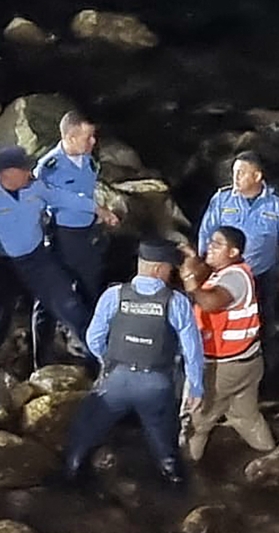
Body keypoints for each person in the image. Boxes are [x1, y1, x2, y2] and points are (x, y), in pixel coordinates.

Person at [62, 239, 204, 485]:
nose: (172, 272)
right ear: (159, 269)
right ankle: (175, 486)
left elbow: (93, 338)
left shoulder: (113, 295)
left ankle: (70, 478)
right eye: (170, 267)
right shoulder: (176, 302)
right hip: (156, 384)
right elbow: (192, 350)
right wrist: (196, 388)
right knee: (164, 444)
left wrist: (108, 360)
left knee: (84, 433)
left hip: (116, 381)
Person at [197, 151, 279, 385]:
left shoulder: (278, 204)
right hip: (226, 276)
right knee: (221, 322)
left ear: (257, 175)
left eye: (242, 173)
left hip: (261, 275)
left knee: (266, 325)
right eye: (234, 172)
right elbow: (206, 231)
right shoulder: (222, 199)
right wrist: (205, 264)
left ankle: (269, 380)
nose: (236, 177)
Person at [179, 226, 275, 461]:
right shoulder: (229, 272)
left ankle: (188, 473)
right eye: (211, 242)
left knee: (197, 421)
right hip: (247, 360)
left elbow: (212, 303)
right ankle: (272, 455)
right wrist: (193, 261)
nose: (210, 247)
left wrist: (189, 280)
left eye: (217, 244)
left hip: (225, 366)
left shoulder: (234, 278)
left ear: (233, 252)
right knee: (246, 417)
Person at [32, 112, 120, 367]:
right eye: (88, 137)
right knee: (49, 299)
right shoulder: (49, 167)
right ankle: (41, 360)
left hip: (86, 236)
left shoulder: (90, 163)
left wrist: (99, 216)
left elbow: (88, 194)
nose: (93, 142)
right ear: (70, 136)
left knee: (90, 292)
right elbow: (46, 199)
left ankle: (93, 357)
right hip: (60, 237)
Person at [0, 146, 94, 358]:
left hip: (35, 258)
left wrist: (96, 208)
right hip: (4, 265)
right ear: (7, 173)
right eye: (24, 168)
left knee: (70, 305)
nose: (30, 172)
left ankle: (97, 356)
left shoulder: (35, 187)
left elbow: (62, 198)